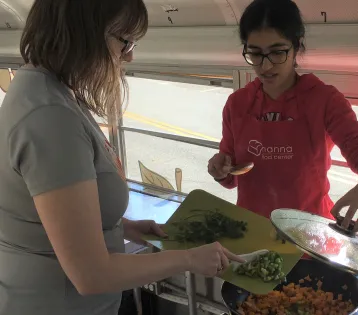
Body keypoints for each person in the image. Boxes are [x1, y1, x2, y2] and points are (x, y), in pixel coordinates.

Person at [0, 1, 243, 314]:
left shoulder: (48, 89)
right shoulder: (50, 118)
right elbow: (91, 275)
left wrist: (123, 226)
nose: (129, 55)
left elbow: (54, 212)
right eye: (124, 41)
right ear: (82, 33)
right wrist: (189, 259)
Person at [208, 0, 358, 233]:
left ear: (296, 47)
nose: (265, 65)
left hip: (310, 236)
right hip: (251, 234)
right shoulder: (238, 104)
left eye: (277, 52)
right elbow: (232, 175)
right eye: (255, 53)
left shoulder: (324, 100)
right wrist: (220, 170)